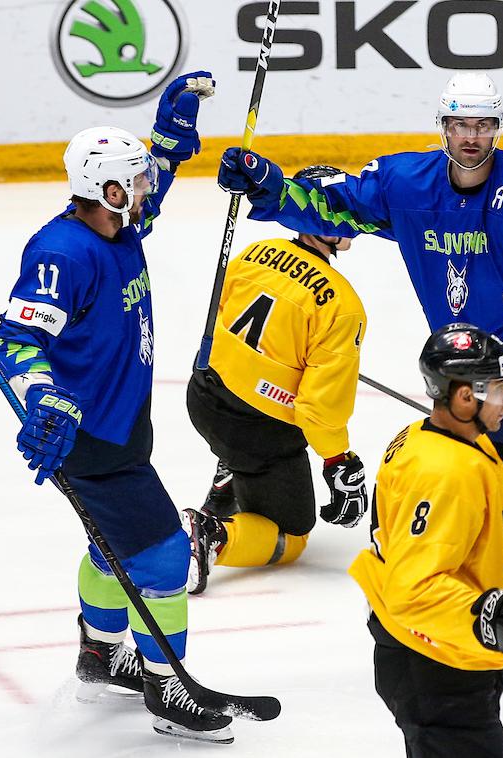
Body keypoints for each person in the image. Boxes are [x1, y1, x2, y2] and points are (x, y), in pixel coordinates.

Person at [216, 72, 503, 662]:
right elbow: (332, 205)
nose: (472, 137)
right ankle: (491, 599)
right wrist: (270, 185)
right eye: (461, 125)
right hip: (462, 363)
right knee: (453, 479)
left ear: (496, 129)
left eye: (483, 126)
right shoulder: (406, 183)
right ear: (444, 127)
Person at [0, 73, 235, 742]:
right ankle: (169, 688)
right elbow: (15, 338)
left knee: (110, 549)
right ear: (108, 190)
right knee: (161, 558)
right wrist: (45, 400)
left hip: (122, 427)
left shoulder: (117, 228)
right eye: (138, 179)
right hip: (90, 432)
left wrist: (168, 144)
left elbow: (149, 195)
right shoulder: (62, 253)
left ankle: (99, 654)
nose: (147, 188)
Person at [350, 323, 503, 757]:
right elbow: (412, 588)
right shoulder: (445, 472)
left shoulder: (436, 437)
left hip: (443, 644)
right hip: (432, 658)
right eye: (497, 388)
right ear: (464, 396)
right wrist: (495, 612)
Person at [182, 165, 368, 594]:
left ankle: (230, 469)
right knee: (292, 533)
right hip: (258, 430)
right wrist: (339, 462)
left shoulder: (254, 252)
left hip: (203, 396)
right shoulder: (341, 305)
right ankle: (210, 534)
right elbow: (319, 410)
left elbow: (221, 323)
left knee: (238, 433)